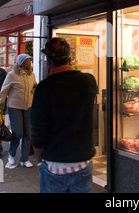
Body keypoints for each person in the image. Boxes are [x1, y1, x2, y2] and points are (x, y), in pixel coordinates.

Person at [31, 38, 97, 193]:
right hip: (83, 163)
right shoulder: (89, 81)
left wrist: (39, 160)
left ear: (48, 61)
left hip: (54, 164)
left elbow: (38, 129)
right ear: (70, 57)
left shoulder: (44, 88)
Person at [0, 53, 37, 168]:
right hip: (14, 107)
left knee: (28, 134)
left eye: (30, 61)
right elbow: (4, 91)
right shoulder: (11, 75)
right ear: (21, 63)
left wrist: (34, 90)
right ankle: (11, 155)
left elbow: (34, 86)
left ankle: (24, 159)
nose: (29, 63)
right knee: (18, 133)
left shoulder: (32, 75)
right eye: (27, 61)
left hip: (28, 107)